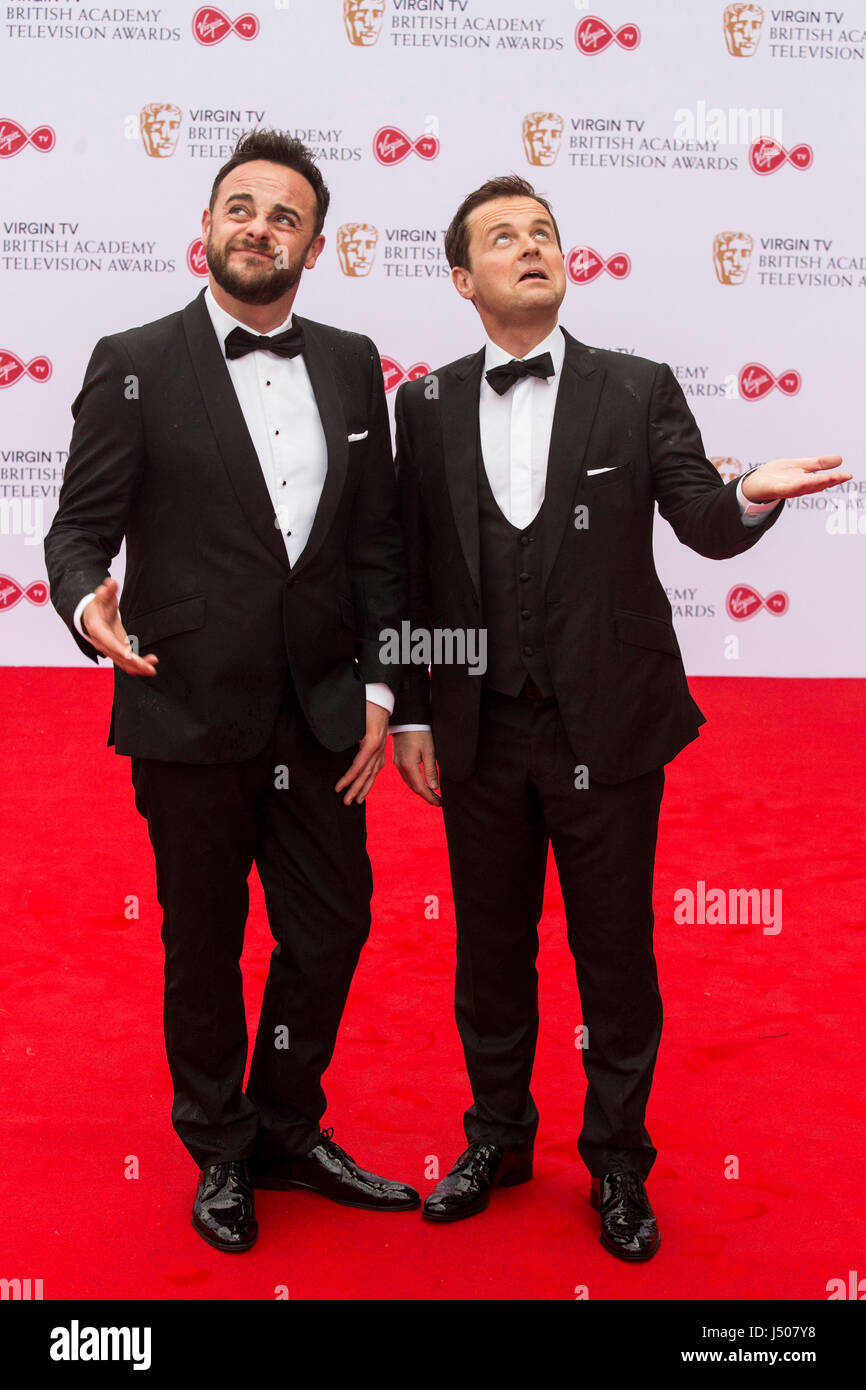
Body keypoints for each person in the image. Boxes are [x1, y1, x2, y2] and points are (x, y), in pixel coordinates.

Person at [390, 175, 848, 1261]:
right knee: (489, 952)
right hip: (476, 726)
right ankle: (496, 1138)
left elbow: (701, 518)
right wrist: (408, 707)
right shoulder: (423, 404)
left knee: (613, 954)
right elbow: (407, 570)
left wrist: (749, 494)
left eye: (543, 231)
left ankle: (615, 1163)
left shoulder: (635, 388)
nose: (530, 246)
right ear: (463, 279)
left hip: (605, 723)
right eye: (501, 237)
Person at [44, 129, 419, 1253]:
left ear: (315, 242)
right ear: (206, 227)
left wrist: (385, 684)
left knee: (331, 928)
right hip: (185, 698)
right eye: (241, 206)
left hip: (320, 712)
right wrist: (86, 600)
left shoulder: (354, 361)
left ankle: (287, 1129)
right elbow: (77, 526)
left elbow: (375, 546)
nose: (260, 226)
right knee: (201, 939)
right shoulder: (132, 356)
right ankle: (217, 1145)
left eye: (285, 214)